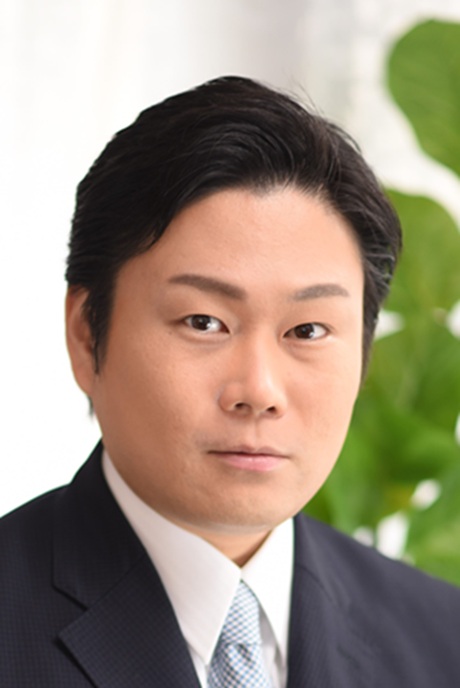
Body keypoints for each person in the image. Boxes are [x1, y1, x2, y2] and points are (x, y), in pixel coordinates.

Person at [1, 76, 459, 688]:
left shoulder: (443, 638)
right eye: (204, 322)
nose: (259, 391)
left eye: (308, 330)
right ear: (87, 335)